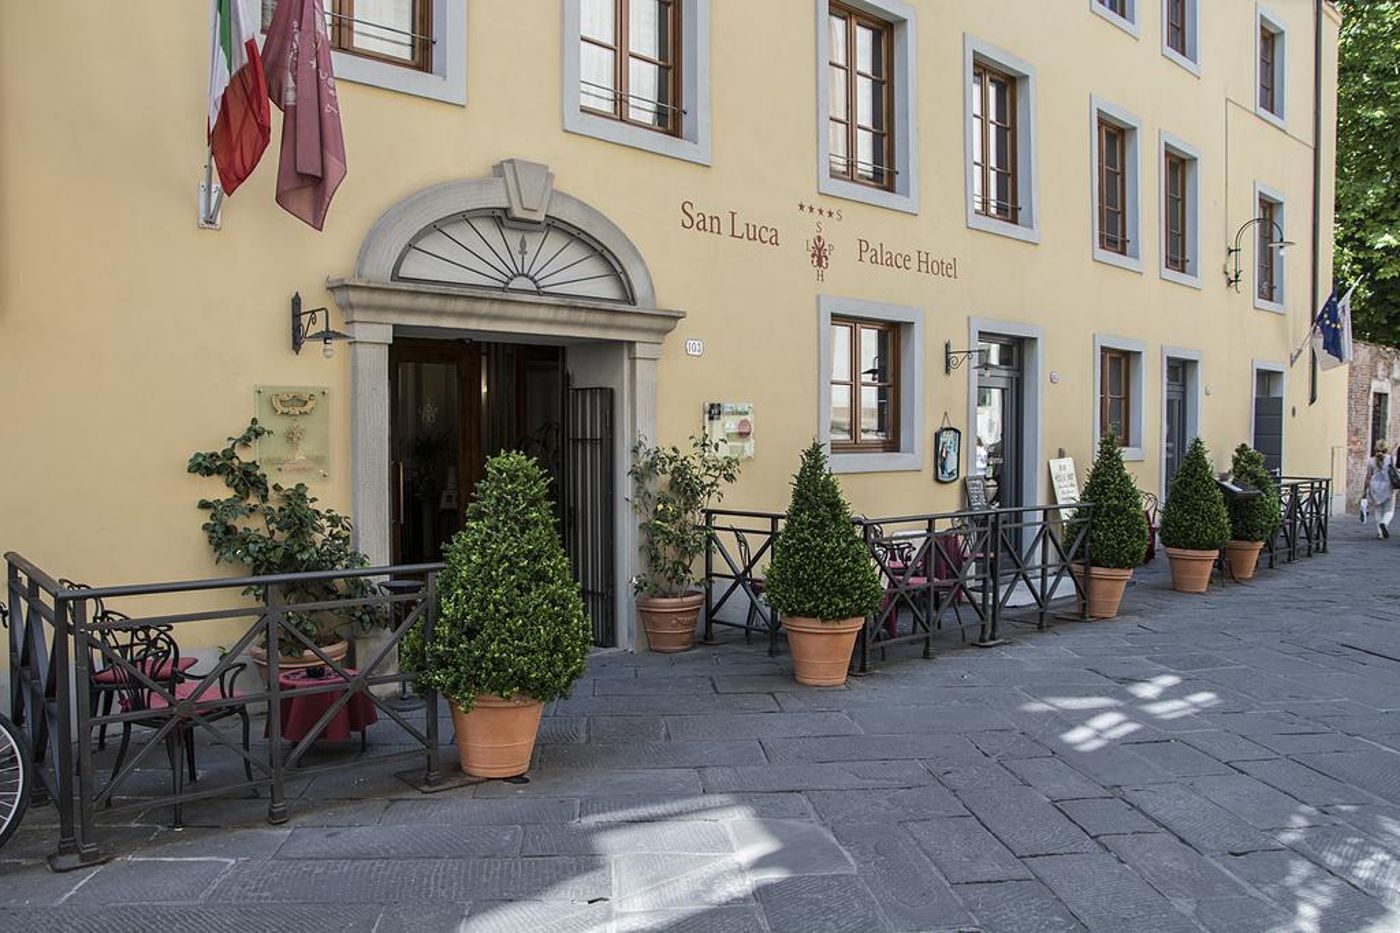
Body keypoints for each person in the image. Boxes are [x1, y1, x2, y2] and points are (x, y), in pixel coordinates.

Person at [1363, 441, 1397, 539]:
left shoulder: (1371, 461)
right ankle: (1384, 523)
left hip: (1374, 486)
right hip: (1388, 486)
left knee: (1378, 509)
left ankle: (1379, 532)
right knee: (1389, 510)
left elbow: (1368, 477)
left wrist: (1364, 490)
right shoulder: (1391, 459)